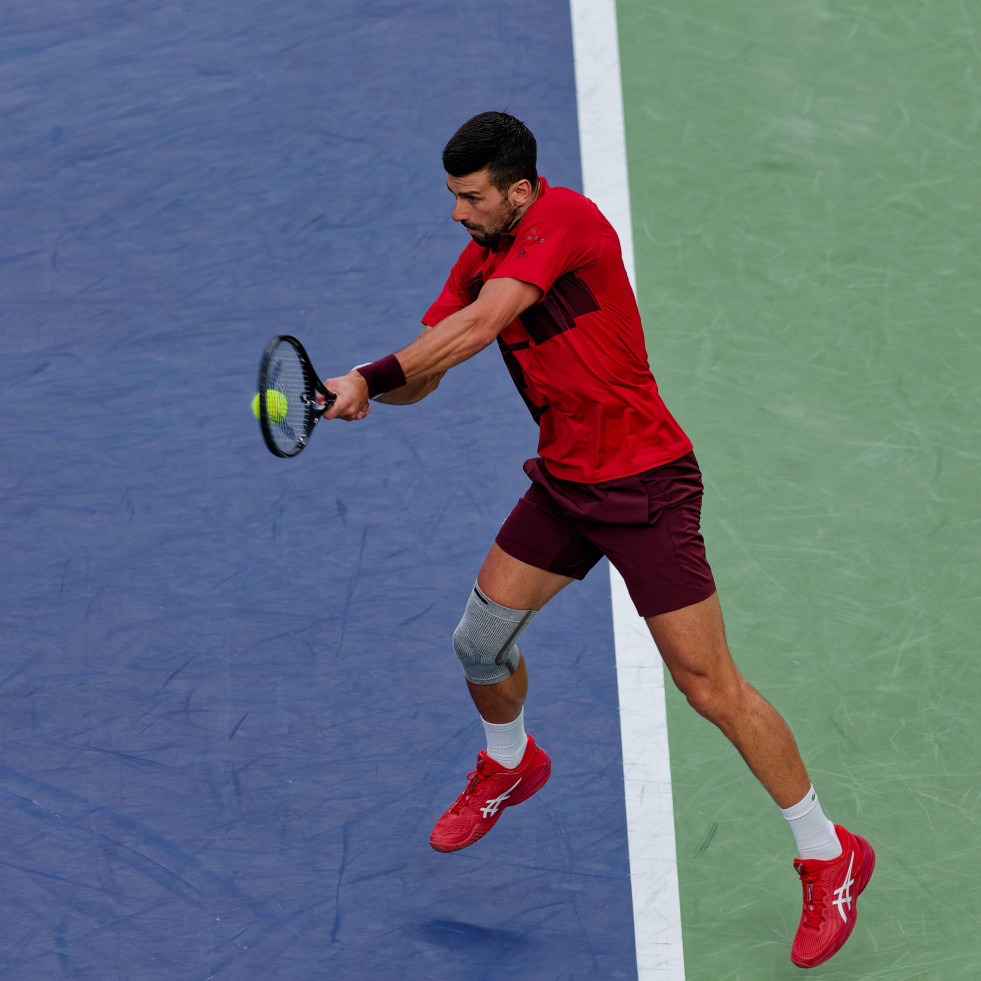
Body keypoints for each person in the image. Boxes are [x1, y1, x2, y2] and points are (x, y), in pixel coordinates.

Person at [322, 111, 874, 969]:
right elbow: (430, 363)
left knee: (709, 687)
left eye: (471, 198)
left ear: (518, 189)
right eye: (452, 198)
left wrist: (371, 372)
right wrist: (361, 393)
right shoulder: (476, 258)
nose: (458, 215)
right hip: (565, 483)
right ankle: (510, 760)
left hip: (646, 482)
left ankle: (828, 853)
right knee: (478, 643)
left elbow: (474, 330)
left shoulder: (565, 223)